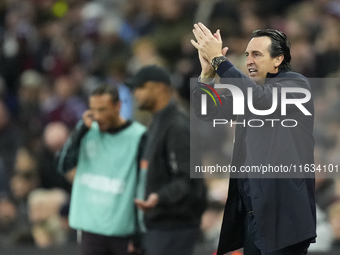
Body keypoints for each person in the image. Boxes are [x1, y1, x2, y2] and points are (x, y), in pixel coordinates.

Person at [191, 23, 316, 255]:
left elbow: (259, 98)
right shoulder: (251, 94)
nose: (249, 60)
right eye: (247, 54)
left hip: (283, 218)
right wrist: (207, 74)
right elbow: (206, 110)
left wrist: (218, 58)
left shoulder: (296, 85)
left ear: (278, 59)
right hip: (253, 216)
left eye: (257, 54)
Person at [56, 85, 146, 255]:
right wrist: (79, 132)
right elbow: (62, 166)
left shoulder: (139, 136)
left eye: (103, 110)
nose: (97, 116)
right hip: (91, 229)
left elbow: (143, 185)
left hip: (123, 231)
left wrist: (139, 234)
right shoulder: (86, 131)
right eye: (93, 110)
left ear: (118, 106)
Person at [128, 65, 207, 255]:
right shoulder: (157, 122)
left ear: (160, 87)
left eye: (141, 87)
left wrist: (159, 197)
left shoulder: (177, 126)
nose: (135, 93)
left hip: (174, 225)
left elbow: (186, 178)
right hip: (157, 224)